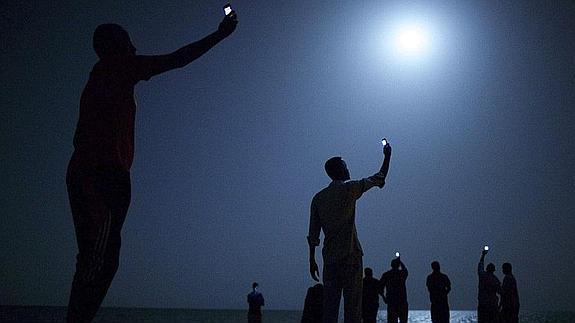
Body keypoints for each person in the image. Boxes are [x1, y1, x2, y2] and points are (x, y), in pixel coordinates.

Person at [65, 11, 238, 323]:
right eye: (129, 42)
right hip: (100, 176)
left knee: (102, 257)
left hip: (101, 174)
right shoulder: (116, 68)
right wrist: (220, 35)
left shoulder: (103, 77)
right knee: (98, 258)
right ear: (118, 46)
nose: (135, 47)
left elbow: (80, 134)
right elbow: (177, 58)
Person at [307, 142, 392, 323]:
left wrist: (312, 259)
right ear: (339, 171)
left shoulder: (319, 198)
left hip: (329, 259)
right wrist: (387, 156)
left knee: (329, 309)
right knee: (352, 308)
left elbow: (313, 234)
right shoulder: (349, 188)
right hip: (350, 255)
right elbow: (380, 177)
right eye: (345, 167)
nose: (348, 169)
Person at [379, 257, 409, 323]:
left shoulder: (386, 275)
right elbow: (405, 270)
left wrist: (384, 298)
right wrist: (400, 261)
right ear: (398, 265)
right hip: (402, 301)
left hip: (391, 302)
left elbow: (380, 288)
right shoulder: (401, 274)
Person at [477, 249, 501, 323]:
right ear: (493, 270)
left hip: (483, 305)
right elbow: (500, 292)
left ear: (487, 269)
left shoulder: (482, 275)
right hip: (492, 305)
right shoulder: (495, 279)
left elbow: (480, 265)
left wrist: (483, 255)